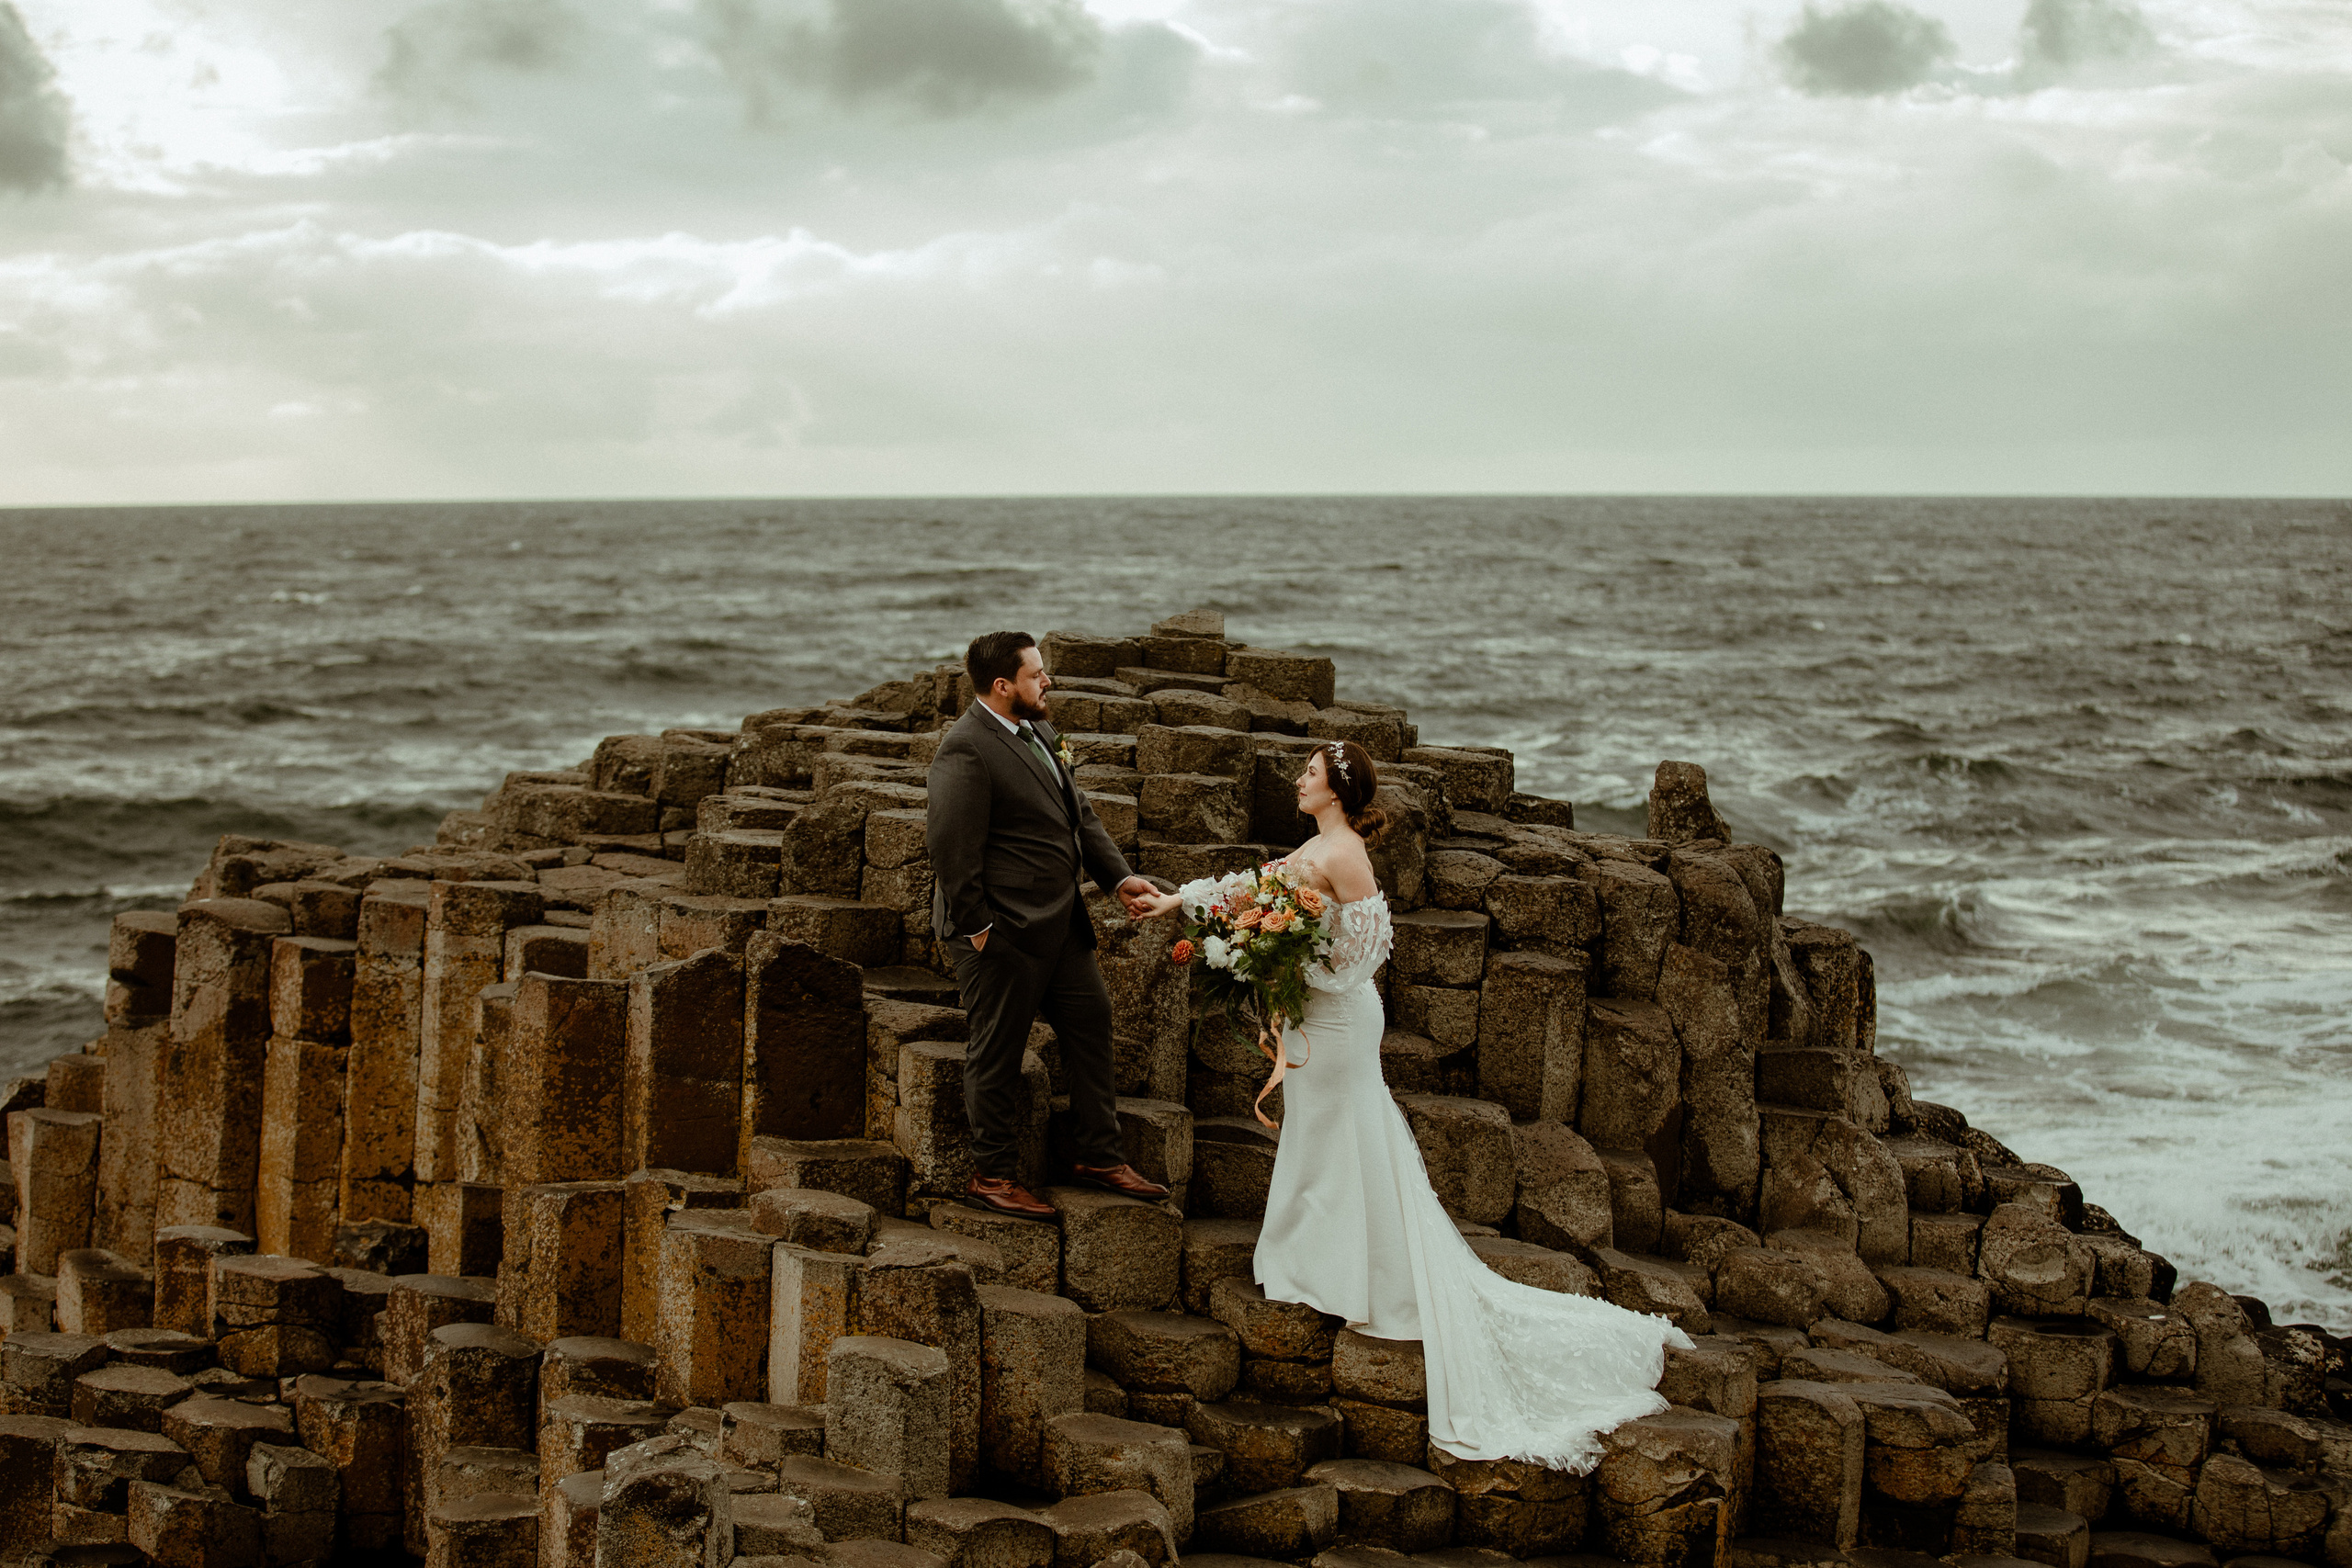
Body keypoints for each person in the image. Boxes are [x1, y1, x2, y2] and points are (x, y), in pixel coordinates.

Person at [1127, 739, 1691, 1470]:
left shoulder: (1347, 854)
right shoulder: (1318, 842)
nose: (1299, 780)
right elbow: (1253, 887)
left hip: (1337, 1020)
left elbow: (1368, 951)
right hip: (1313, 1017)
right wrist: (1178, 899)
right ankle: (1315, 1260)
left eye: (1310, 773)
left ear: (1337, 788)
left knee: (1343, 1133)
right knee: (1324, 1137)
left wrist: (1291, 960)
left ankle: (1355, 1274)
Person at [926, 630, 1170, 1219]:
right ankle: (993, 1176)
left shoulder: (1039, 731)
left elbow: (1077, 815)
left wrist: (1117, 879)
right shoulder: (965, 749)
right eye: (1037, 674)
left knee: (1092, 1024)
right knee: (997, 1051)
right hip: (1000, 931)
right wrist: (981, 931)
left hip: (1060, 922)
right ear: (1003, 685)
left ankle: (1097, 1155)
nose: (1048, 682)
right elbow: (950, 849)